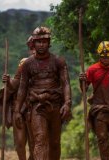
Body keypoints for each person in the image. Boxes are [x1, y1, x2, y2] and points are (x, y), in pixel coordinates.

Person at [14, 26, 72, 160]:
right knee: (40, 140)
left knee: (55, 143)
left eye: (44, 41)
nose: (41, 44)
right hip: (37, 107)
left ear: (49, 43)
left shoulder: (59, 61)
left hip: (56, 105)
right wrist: (17, 110)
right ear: (33, 43)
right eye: (38, 41)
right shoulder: (27, 64)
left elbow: (66, 83)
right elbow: (22, 88)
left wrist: (67, 103)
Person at [79, 41, 109, 160]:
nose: (105, 59)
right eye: (103, 57)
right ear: (99, 56)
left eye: (108, 56)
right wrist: (81, 80)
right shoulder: (92, 69)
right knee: (102, 138)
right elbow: (84, 89)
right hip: (99, 110)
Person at [0, 36, 35, 160]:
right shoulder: (24, 63)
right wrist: (8, 81)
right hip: (19, 108)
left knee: (35, 144)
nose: (34, 51)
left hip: (35, 109)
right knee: (19, 142)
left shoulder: (47, 63)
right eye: (32, 48)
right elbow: (15, 84)